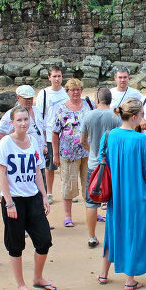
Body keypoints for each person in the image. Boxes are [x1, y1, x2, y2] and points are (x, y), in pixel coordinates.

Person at [0, 106, 55, 290]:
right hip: (14, 199)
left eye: (25, 120)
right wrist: (9, 202)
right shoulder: (5, 143)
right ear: (12, 123)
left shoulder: (34, 141)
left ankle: (38, 277)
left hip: (33, 197)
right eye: (19, 120)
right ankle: (21, 284)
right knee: (16, 243)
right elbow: (1, 172)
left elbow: (37, 170)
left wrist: (44, 195)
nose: (23, 123)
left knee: (44, 240)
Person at [103, 99, 146, 290]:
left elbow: (104, 161)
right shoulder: (140, 139)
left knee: (113, 230)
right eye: (141, 115)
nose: (142, 118)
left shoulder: (111, 135)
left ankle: (103, 273)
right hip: (135, 193)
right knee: (135, 233)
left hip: (115, 194)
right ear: (134, 117)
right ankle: (130, 279)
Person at [80, 87, 118, 252]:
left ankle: (92, 236)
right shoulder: (116, 117)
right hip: (111, 164)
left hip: (94, 163)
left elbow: (82, 140)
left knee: (91, 201)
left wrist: (92, 151)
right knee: (113, 200)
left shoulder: (88, 115)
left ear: (97, 100)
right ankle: (114, 235)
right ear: (110, 100)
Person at [50, 79, 90, 228]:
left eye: (78, 89)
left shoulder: (87, 106)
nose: (76, 92)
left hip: (86, 151)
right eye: (72, 89)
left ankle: (91, 211)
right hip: (68, 153)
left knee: (88, 183)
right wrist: (55, 154)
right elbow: (55, 132)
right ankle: (67, 216)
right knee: (68, 184)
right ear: (67, 92)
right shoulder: (61, 109)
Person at [35, 67, 69, 198]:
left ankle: (67, 191)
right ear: (49, 77)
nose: (57, 79)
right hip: (49, 134)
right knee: (50, 166)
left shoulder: (66, 93)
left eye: (59, 76)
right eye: (54, 76)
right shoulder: (44, 93)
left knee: (67, 164)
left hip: (65, 134)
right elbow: (39, 115)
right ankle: (49, 192)